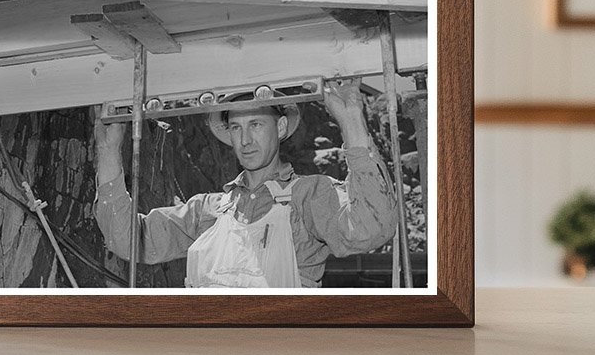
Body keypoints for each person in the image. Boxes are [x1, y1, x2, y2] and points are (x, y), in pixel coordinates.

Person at [93, 79, 397, 288]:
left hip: (278, 354)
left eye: (256, 124)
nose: (245, 140)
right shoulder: (208, 211)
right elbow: (127, 241)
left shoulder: (309, 196)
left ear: (280, 127)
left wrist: (351, 121)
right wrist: (108, 150)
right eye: (236, 128)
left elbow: (370, 230)